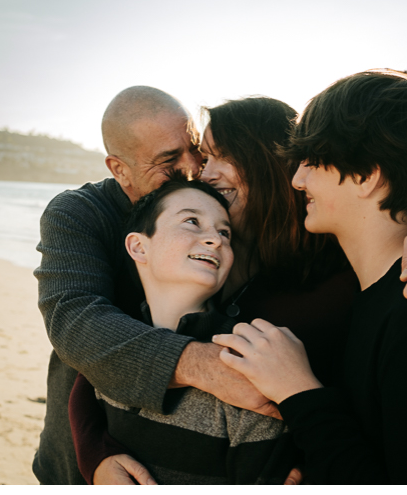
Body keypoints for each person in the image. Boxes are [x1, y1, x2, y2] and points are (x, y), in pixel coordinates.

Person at [33, 85, 407, 485]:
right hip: (87, 468)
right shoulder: (86, 215)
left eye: (201, 152)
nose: (195, 170)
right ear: (121, 168)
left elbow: (382, 202)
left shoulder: (323, 262)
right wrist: (95, 452)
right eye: (171, 161)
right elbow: (80, 328)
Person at [213, 71, 407, 485]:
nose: (298, 179)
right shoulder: (373, 297)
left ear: (366, 175)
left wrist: (299, 392)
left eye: (311, 162)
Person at [68, 177, 297, 484]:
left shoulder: (246, 361)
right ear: (138, 247)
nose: (215, 240)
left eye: (225, 233)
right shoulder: (107, 344)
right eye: (192, 221)